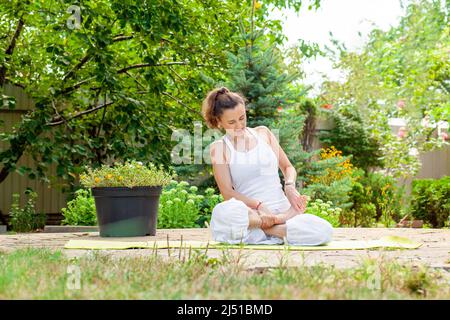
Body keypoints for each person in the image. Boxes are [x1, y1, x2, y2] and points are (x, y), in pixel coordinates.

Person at [202, 87, 333, 245]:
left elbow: (288, 168)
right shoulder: (219, 148)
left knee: (324, 231)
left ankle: (275, 223)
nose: (239, 125)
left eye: (242, 118)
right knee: (221, 213)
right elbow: (228, 193)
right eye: (231, 122)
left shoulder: (263, 133)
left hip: (283, 211)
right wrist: (260, 206)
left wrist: (290, 186)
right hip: (251, 215)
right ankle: (273, 229)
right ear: (219, 122)